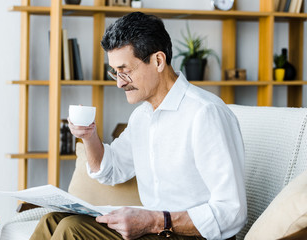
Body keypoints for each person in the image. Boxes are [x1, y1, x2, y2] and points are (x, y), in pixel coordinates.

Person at [30, 11, 247, 240]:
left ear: (158, 61)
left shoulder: (204, 113)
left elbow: (232, 212)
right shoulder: (142, 117)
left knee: (72, 229)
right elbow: (111, 170)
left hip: (192, 235)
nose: (119, 83)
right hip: (157, 229)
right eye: (115, 72)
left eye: (125, 71)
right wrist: (89, 135)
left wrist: (153, 221)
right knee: (52, 220)